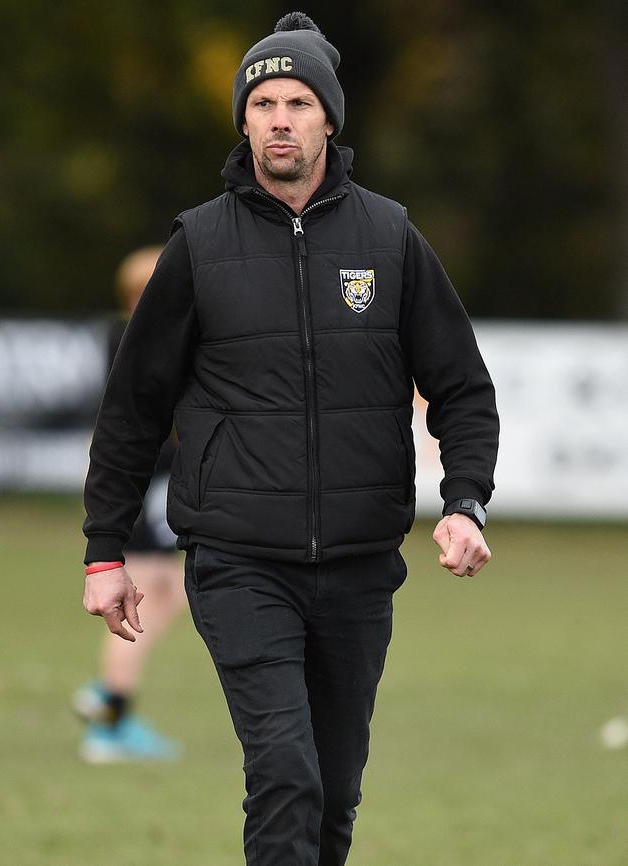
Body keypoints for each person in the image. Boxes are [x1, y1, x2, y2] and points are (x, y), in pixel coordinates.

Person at [82, 11, 499, 864]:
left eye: (299, 101)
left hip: (358, 567)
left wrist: (465, 502)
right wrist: (104, 551)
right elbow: (131, 409)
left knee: (334, 797)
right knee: (285, 773)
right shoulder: (198, 245)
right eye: (263, 101)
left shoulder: (390, 239)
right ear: (243, 119)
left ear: (328, 119)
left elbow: (462, 386)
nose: (280, 117)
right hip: (238, 561)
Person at [75, 247, 185, 763]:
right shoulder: (139, 338)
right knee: (136, 599)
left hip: (152, 481)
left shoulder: (118, 336)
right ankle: (111, 717)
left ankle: (108, 697)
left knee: (170, 591)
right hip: (148, 483)